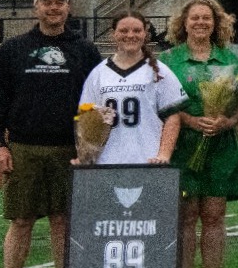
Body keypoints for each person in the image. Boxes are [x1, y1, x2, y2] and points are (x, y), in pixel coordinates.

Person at [0, 0, 102, 268]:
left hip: (69, 148)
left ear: (68, 8)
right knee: (21, 220)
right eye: (47, 3)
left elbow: (95, 103)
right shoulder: (14, 49)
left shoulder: (85, 50)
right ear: (36, 8)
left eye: (59, 3)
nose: (53, 8)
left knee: (63, 222)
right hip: (24, 146)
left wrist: (90, 147)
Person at [163, 0, 238, 268]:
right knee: (186, 217)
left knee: (215, 216)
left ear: (217, 23)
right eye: (195, 18)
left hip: (220, 147)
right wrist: (190, 120)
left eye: (207, 18)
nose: (201, 23)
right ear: (183, 23)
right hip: (183, 146)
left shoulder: (231, 58)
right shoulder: (168, 60)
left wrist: (226, 121)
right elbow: (161, 104)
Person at [77, 12, 185, 166]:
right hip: (107, 161)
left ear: (145, 34)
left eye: (136, 30)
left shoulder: (160, 71)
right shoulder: (98, 73)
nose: (130, 35)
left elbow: (173, 118)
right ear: (113, 34)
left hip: (147, 159)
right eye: (123, 30)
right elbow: (86, 117)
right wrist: (87, 155)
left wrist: (163, 155)